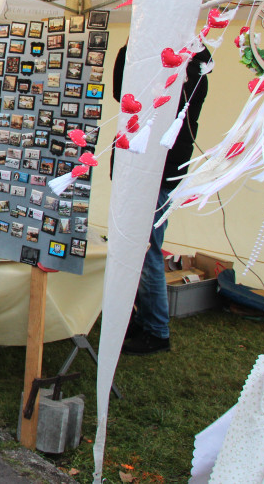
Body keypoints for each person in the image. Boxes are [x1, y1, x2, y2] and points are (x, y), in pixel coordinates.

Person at [113, 43, 210, 355]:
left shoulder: (189, 63)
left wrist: (136, 49)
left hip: (156, 168)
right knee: (140, 249)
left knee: (148, 251)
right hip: (146, 164)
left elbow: (125, 92)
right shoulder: (190, 59)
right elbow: (124, 94)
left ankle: (156, 329)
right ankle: (146, 320)